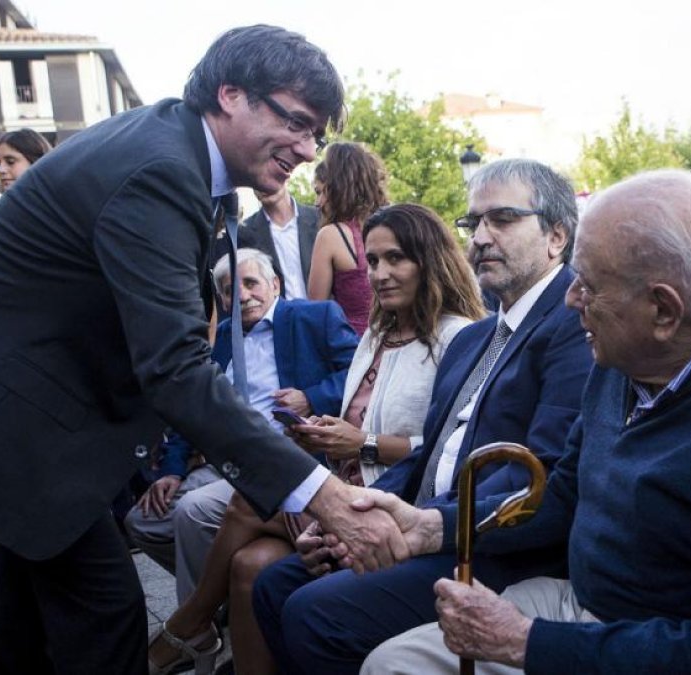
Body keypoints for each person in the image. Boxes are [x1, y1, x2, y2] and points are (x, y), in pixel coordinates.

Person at [0, 26, 412, 674]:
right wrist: (324, 496)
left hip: (12, 407)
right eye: (298, 123)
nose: (308, 149)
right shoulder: (165, 167)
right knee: (105, 623)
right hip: (15, 417)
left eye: (317, 134)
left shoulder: (178, 148)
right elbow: (172, 366)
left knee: (29, 624)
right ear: (230, 94)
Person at [360, 169, 691, 675]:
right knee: (391, 665)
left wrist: (525, 642)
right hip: (572, 605)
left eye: (588, 286)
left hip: (650, 641)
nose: (570, 300)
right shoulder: (629, 352)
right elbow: (563, 493)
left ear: (663, 310)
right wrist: (433, 527)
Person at [251, 158, 593, 674]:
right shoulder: (477, 338)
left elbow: (537, 475)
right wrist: (355, 512)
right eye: (472, 223)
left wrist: (426, 526)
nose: (479, 237)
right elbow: (427, 455)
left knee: (315, 613)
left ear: (556, 236)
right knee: (276, 583)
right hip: (428, 522)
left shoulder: (574, 327)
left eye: (501, 219)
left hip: (499, 551)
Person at [148, 203, 486, 675]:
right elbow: (351, 421)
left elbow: (442, 451)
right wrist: (321, 435)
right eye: (371, 261)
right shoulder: (374, 333)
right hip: (340, 478)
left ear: (430, 260)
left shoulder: (460, 338)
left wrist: (362, 443)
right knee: (250, 565)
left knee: (250, 496)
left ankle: (191, 623)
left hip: (389, 499)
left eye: (396, 259)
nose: (380, 274)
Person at [126, 247, 356, 601]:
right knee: (143, 522)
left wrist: (311, 396)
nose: (243, 295)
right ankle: (220, 599)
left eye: (251, 283)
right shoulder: (221, 339)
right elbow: (196, 406)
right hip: (228, 464)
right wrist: (171, 471)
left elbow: (359, 373)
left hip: (286, 459)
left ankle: (196, 624)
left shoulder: (314, 317)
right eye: (231, 289)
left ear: (275, 284)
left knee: (191, 512)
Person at [307, 141, 388, 334]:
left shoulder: (331, 236)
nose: (317, 203)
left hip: (353, 351)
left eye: (320, 192)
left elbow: (315, 313)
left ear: (337, 187)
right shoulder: (395, 227)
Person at [215, 185, 320, 301]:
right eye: (257, 178)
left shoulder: (319, 219)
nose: (264, 185)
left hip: (324, 312)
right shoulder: (243, 233)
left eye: (270, 174)